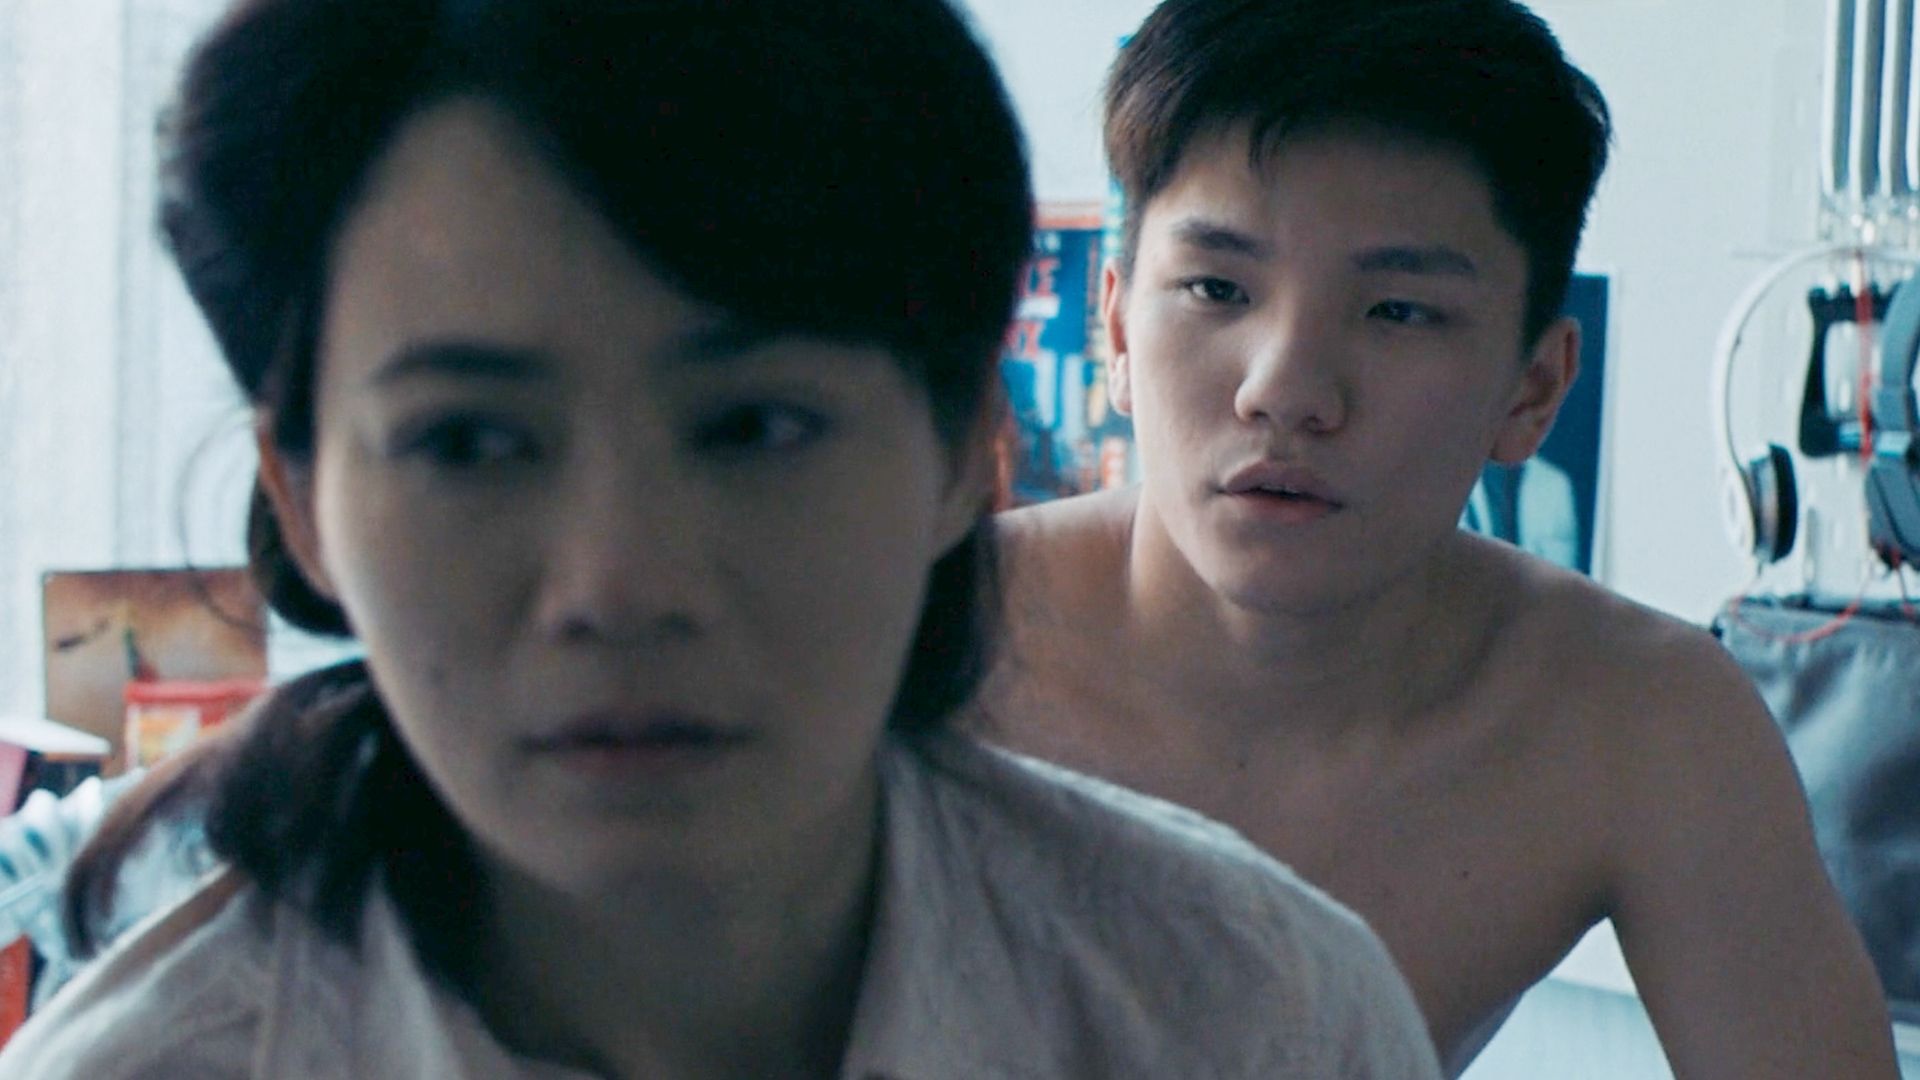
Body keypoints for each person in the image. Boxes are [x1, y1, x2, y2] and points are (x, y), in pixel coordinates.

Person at [0, 1, 1447, 1077]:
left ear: (966, 453)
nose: (619, 586)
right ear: (305, 498)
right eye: (468, 442)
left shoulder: (1252, 1020)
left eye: (755, 426)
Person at [969, 0, 1901, 1075]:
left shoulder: (1639, 721)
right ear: (1121, 332)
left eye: (1398, 311)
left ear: (1533, 388)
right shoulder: (917, 643)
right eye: (1217, 288)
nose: (1286, 389)